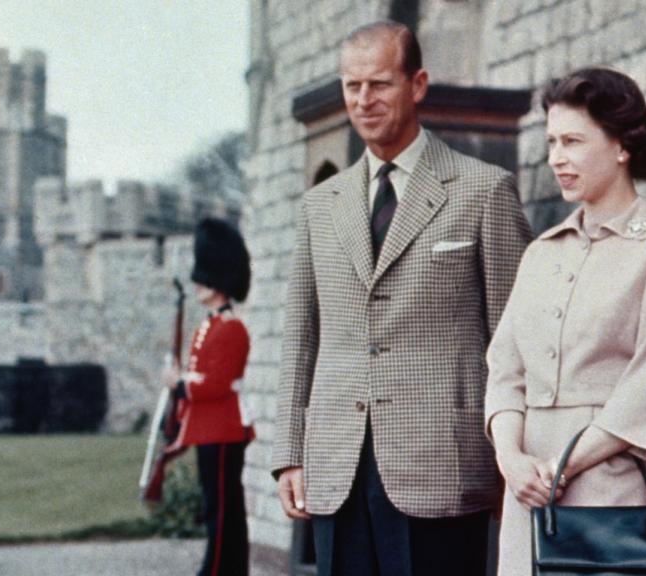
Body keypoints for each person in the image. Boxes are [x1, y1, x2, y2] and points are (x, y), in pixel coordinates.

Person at [271, 19, 533, 576]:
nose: (364, 100)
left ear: (417, 84)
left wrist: (509, 457)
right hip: (336, 464)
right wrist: (289, 453)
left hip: (444, 466)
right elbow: (301, 338)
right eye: (352, 86)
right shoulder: (320, 206)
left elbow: (515, 342)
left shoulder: (483, 190)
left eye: (380, 84)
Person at [484, 67, 646, 576]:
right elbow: (504, 370)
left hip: (611, 492)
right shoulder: (541, 254)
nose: (557, 158)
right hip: (528, 495)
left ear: (621, 146)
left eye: (573, 141)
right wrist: (511, 461)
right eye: (551, 142)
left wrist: (560, 466)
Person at [161, 217, 255, 576]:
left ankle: (217, 570)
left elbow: (215, 384)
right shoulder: (210, 325)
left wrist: (178, 384)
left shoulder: (232, 328)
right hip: (209, 429)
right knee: (219, 507)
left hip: (223, 429)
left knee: (222, 509)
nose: (197, 283)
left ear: (217, 281)